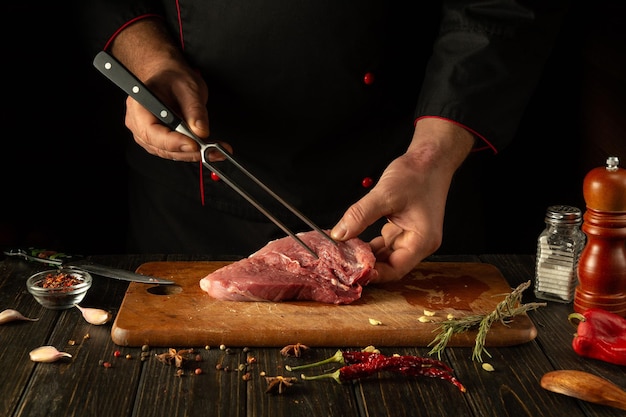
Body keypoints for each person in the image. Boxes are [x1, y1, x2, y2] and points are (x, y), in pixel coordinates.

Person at [79, 0, 568, 283]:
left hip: (406, 191)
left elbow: (499, 5)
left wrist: (430, 155)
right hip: (194, 210)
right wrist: (149, 63)